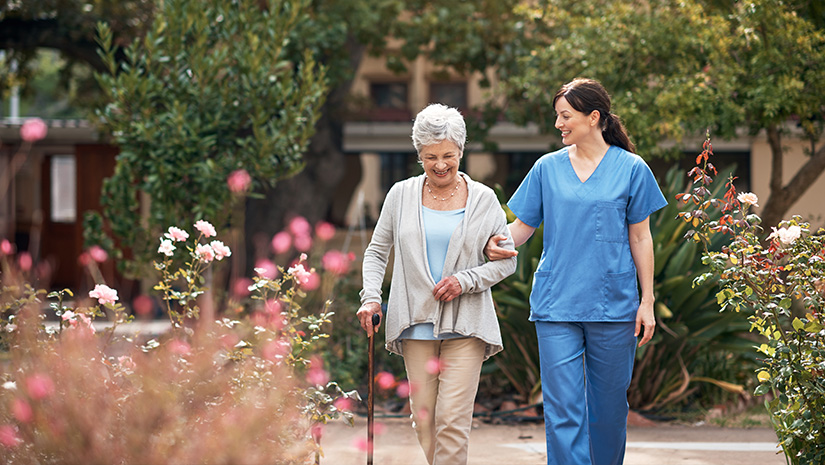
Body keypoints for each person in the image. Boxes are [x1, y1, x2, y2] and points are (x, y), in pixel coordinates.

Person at [485, 78, 668, 465]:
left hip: (613, 305)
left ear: (593, 117)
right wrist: (490, 244)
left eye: (565, 116)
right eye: (558, 116)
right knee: (562, 411)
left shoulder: (632, 169)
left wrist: (647, 301)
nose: (558, 124)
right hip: (557, 304)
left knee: (609, 412)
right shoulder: (546, 168)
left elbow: (641, 238)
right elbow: (521, 227)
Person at [357, 103, 517, 465]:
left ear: (461, 150)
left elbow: (507, 262)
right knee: (425, 420)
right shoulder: (400, 195)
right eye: (430, 157)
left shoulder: (483, 199)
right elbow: (377, 252)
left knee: (452, 421)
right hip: (415, 324)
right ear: (419, 155)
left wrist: (465, 281)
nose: (440, 164)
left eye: (448, 155)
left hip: (467, 325)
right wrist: (371, 298)